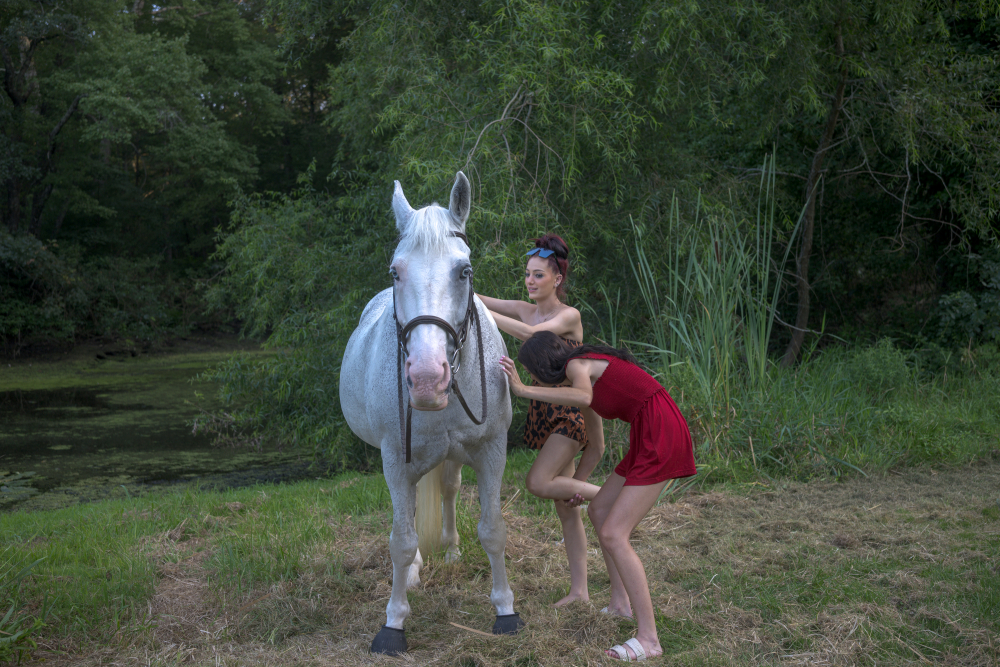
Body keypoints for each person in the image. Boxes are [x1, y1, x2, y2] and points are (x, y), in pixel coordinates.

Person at [498, 331, 696, 662]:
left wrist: (521, 390)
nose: (531, 380)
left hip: (661, 428)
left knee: (614, 534)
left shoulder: (577, 365)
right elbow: (597, 446)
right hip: (646, 429)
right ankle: (620, 604)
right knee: (599, 510)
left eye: (530, 373)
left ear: (541, 366)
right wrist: (577, 486)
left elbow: (584, 397)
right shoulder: (578, 381)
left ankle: (649, 639)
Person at [477, 234, 605, 607]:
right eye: (527, 274)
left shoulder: (569, 316)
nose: (530, 281)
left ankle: (610, 497)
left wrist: (480, 314)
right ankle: (580, 592)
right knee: (566, 507)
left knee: (538, 482)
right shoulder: (523, 307)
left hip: (568, 413)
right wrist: (453, 287)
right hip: (543, 415)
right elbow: (478, 298)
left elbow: (532, 335)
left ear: (557, 279)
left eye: (538, 275)